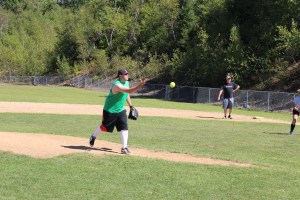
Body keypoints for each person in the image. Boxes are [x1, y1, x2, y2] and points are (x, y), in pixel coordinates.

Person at [89, 69, 148, 154]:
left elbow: (127, 94)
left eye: (127, 73)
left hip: (120, 110)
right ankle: (93, 136)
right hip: (110, 110)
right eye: (125, 74)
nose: (127, 75)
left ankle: (124, 148)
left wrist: (131, 106)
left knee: (124, 127)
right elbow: (130, 91)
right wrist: (140, 85)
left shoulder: (126, 83)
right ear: (120, 75)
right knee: (104, 127)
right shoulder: (117, 85)